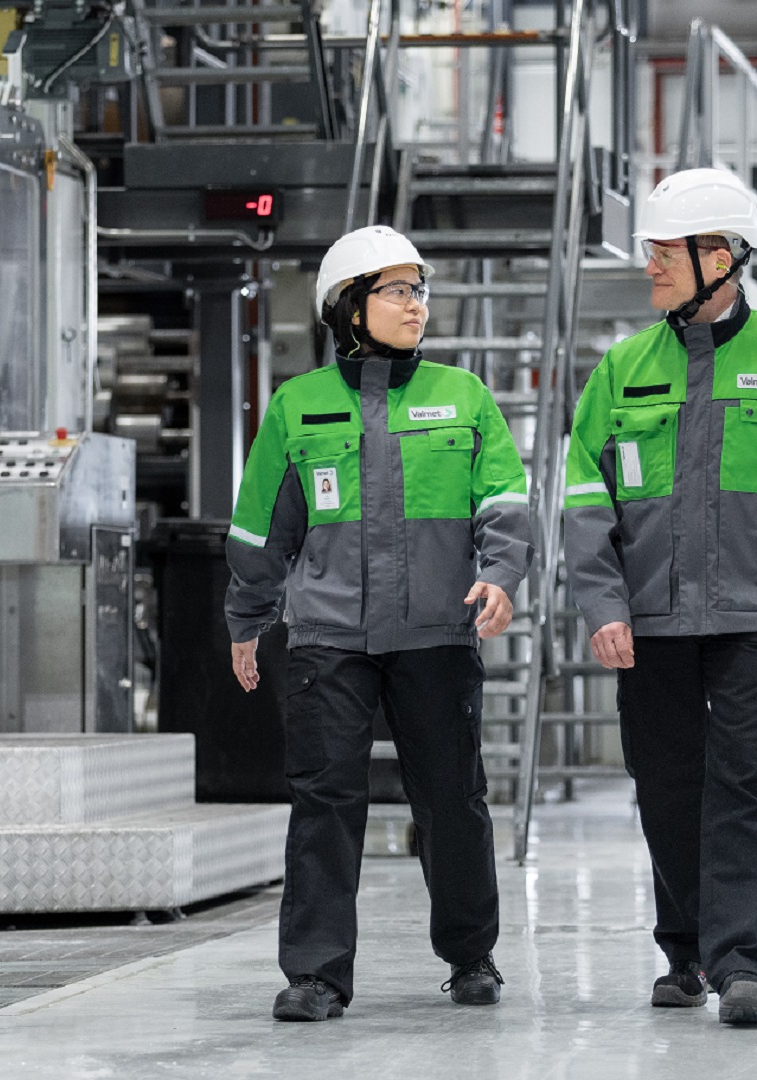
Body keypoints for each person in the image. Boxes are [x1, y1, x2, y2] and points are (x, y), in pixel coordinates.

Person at [562, 168, 757, 1027]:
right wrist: (603, 605)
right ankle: (686, 952)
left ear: (723, 257)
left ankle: (744, 965)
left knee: (745, 786)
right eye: (653, 251)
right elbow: (585, 501)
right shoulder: (623, 370)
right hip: (651, 623)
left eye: (667, 253)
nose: (652, 267)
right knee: (665, 787)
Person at [225, 225, 534, 1022]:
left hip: (436, 635)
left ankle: (472, 955)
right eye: (397, 290)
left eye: (419, 289)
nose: (416, 305)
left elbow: (503, 501)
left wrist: (499, 578)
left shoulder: (463, 396)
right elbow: (262, 529)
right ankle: (317, 973)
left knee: (452, 800)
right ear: (349, 307)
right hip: (329, 642)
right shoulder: (300, 406)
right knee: (324, 804)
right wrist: (246, 621)